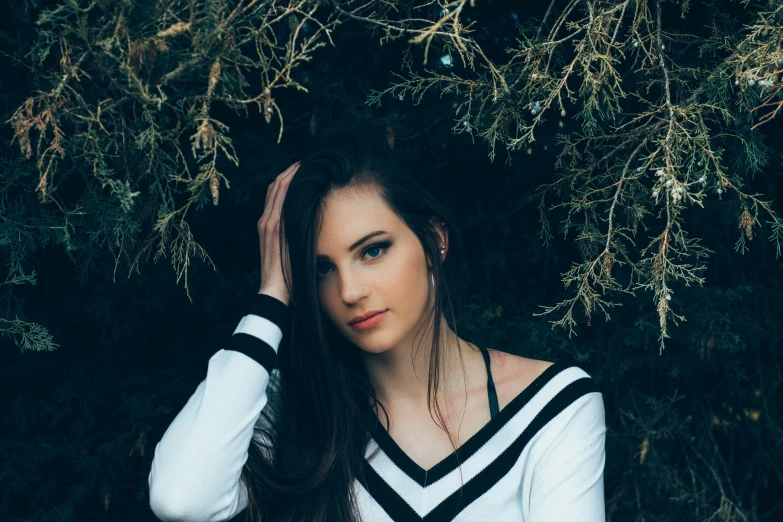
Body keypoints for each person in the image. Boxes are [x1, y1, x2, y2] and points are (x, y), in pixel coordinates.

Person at [147, 121, 606, 522]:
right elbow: (182, 498)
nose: (349, 291)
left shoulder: (552, 407)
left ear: (433, 242)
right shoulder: (298, 410)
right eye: (321, 268)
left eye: (373, 250)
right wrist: (271, 299)